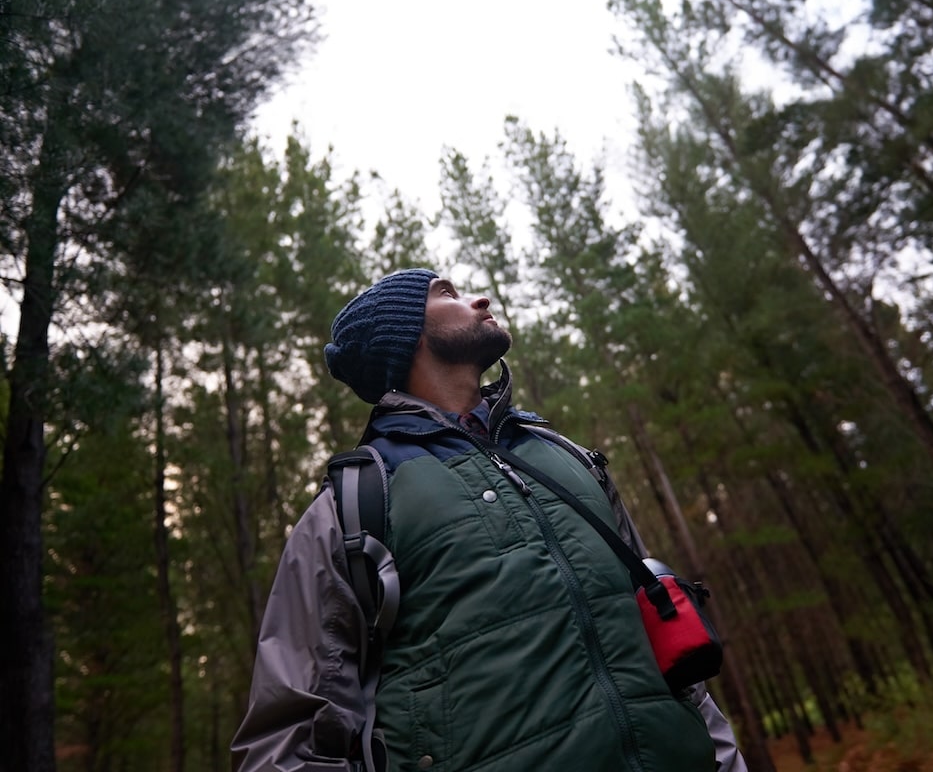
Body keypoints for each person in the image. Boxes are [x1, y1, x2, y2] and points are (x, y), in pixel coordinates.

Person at [232, 268, 746, 772]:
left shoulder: (567, 457)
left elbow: (665, 650)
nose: (478, 300)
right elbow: (290, 738)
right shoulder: (356, 500)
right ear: (405, 334)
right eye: (447, 293)